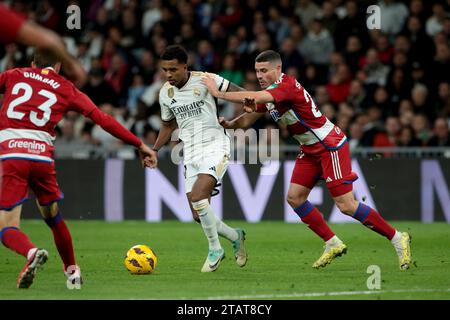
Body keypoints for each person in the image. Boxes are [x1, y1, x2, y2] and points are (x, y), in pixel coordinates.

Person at [203, 50, 412, 270]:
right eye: (257, 71)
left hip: (330, 146)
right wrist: (230, 124)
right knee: (295, 198)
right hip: (310, 150)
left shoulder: (286, 87)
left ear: (278, 69)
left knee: (346, 205)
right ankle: (332, 242)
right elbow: (247, 119)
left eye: (264, 71)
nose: (260, 76)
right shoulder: (271, 94)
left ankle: (398, 238)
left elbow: (255, 98)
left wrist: (218, 92)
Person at [0, 48, 157, 289]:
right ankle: (73, 273)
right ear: (59, 66)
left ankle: (31, 253)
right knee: (52, 216)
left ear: (32, 63)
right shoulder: (65, 87)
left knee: (7, 227)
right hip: (42, 158)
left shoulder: (14, 75)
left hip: (13, 154)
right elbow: (103, 119)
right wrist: (139, 144)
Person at [153, 45, 247, 272]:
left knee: (198, 196)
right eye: (165, 69)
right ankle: (235, 236)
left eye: (173, 69)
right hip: (190, 152)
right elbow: (167, 126)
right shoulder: (165, 93)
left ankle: (215, 249)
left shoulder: (206, 79)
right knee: (197, 214)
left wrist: (244, 112)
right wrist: (153, 150)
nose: (168, 74)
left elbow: (241, 93)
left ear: (185, 67)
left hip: (216, 146)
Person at [0, 4, 86, 87]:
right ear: (58, 67)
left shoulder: (15, 75)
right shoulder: (67, 87)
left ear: (33, 65)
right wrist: (71, 63)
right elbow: (49, 40)